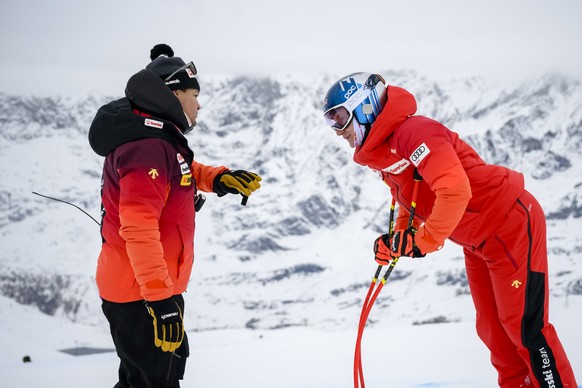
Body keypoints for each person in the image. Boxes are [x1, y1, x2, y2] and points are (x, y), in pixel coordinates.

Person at [322, 73, 578, 388]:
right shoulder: (387, 150)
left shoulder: (416, 132)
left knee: (525, 329)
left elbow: (455, 191)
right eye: (330, 120)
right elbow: (409, 198)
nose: (338, 129)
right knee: (494, 335)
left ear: (365, 107)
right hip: (478, 239)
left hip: (508, 220)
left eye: (340, 116)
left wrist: (423, 241)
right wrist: (399, 240)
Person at [88, 44, 262, 387]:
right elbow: (138, 228)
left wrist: (217, 178)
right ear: (174, 93)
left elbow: (181, 170)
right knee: (153, 381)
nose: (199, 104)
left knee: (156, 375)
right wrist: (161, 302)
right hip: (142, 293)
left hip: (149, 287)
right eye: (194, 95)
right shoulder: (148, 147)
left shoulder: (156, 140)